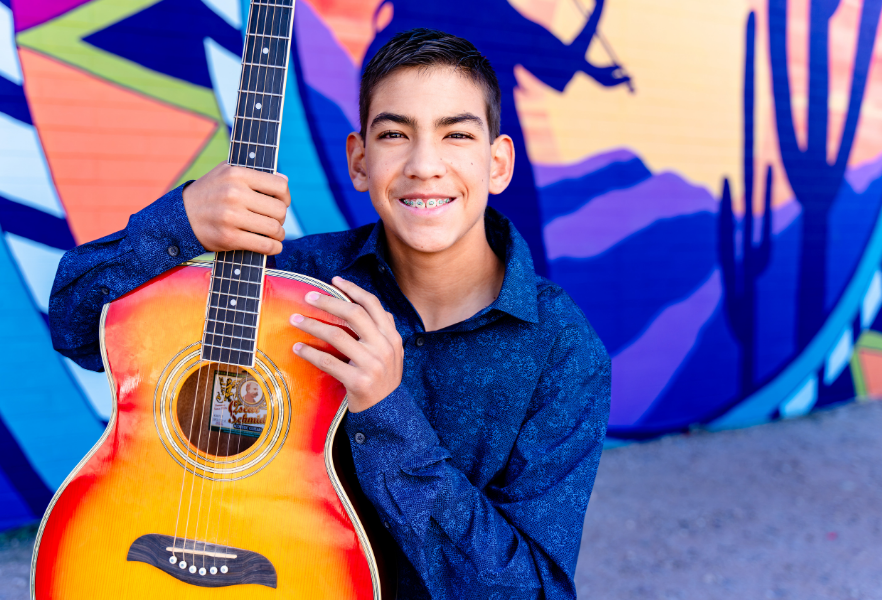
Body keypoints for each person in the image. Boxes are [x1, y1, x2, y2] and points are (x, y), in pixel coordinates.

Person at [49, 28, 611, 600]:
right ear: (360, 161)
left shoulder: (562, 351)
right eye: (395, 133)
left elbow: (532, 592)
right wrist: (180, 223)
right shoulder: (287, 285)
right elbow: (75, 326)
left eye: (456, 135)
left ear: (498, 164)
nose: (424, 164)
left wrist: (388, 415)